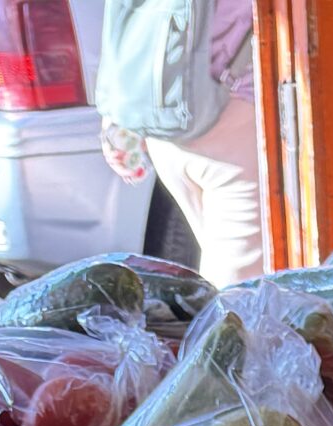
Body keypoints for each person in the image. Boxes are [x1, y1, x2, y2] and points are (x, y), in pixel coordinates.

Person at [98, 0, 271, 290]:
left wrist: (114, 118)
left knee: (222, 277)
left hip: (168, 118)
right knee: (237, 299)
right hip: (233, 126)